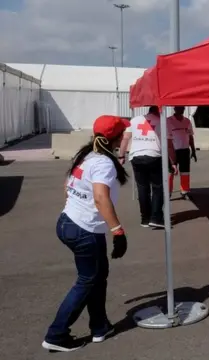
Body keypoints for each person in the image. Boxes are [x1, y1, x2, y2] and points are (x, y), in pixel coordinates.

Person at [42, 115, 130, 352]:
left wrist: (77, 209)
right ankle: (56, 334)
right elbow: (101, 197)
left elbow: (66, 186)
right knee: (87, 280)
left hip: (68, 221)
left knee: (98, 275)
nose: (125, 138)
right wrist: (117, 231)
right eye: (123, 135)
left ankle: (99, 326)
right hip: (85, 230)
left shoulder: (85, 155)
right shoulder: (103, 162)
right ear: (117, 138)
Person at [118, 106, 177, 228]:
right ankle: (156, 217)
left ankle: (145, 218)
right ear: (159, 110)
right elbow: (169, 145)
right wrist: (173, 162)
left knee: (142, 188)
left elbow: (125, 138)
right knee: (158, 187)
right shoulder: (163, 122)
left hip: (136, 156)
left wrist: (121, 155)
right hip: (154, 156)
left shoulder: (135, 120)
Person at [168, 106, 197, 200]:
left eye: (183, 109)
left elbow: (190, 137)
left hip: (184, 150)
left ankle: (185, 191)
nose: (181, 110)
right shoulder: (168, 121)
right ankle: (167, 193)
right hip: (172, 150)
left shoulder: (187, 121)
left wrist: (193, 150)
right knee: (170, 173)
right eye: (179, 108)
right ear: (174, 109)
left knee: (185, 172)